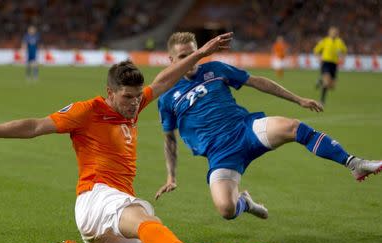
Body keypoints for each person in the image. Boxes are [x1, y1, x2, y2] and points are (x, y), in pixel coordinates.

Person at [0, 33, 233, 243]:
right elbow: (34, 126)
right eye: (127, 98)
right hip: (97, 197)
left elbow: (163, 82)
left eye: (136, 98)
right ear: (110, 92)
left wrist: (202, 53)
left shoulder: (134, 104)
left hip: (111, 208)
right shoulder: (88, 111)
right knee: (145, 222)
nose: (134, 104)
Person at [155, 32, 381, 222]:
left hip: (246, 130)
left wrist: (298, 99)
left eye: (194, 54)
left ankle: (355, 164)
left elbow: (257, 81)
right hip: (220, 154)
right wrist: (170, 177)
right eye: (184, 56)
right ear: (171, 59)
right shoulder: (165, 96)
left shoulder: (215, 69)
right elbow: (169, 139)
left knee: (293, 127)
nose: (191, 60)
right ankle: (246, 203)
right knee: (226, 209)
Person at [313, 26, 347, 105]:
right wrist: (318, 58)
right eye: (332, 32)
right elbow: (316, 50)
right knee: (327, 82)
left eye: (335, 32)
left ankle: (320, 81)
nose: (334, 33)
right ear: (329, 33)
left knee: (332, 86)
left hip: (334, 64)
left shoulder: (340, 42)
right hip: (326, 63)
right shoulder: (325, 41)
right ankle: (322, 100)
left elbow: (344, 51)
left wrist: (342, 56)